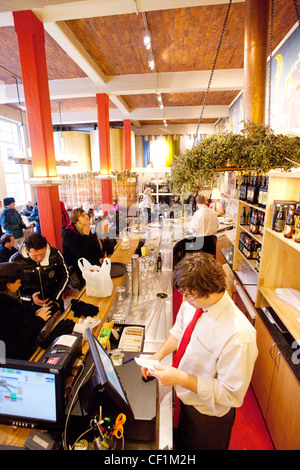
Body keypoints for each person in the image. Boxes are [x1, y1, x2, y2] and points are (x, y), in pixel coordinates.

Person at [141, 252, 258, 450]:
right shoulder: (193, 304)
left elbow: (230, 394)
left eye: (189, 295)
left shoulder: (239, 336)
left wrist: (179, 378)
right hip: (188, 400)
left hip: (210, 417)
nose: (185, 301)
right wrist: (157, 355)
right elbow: (179, 332)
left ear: (210, 290)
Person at [0, 262, 52, 360]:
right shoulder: (5, 308)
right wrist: (38, 321)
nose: (20, 285)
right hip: (22, 359)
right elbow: (17, 347)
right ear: (8, 285)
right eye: (19, 282)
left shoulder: (11, 298)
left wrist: (34, 317)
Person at [10, 233, 69, 314]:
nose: (39, 258)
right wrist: (31, 298)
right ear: (27, 251)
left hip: (54, 299)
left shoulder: (55, 253)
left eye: (42, 254)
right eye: (35, 255)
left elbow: (65, 276)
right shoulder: (15, 261)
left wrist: (55, 299)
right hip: (29, 305)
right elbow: (11, 288)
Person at [62, 208, 106, 288]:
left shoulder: (85, 229)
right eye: (82, 216)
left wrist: (98, 258)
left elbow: (92, 248)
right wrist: (86, 236)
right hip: (77, 271)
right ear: (77, 220)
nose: (86, 216)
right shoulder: (68, 234)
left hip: (88, 267)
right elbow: (80, 253)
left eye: (85, 214)